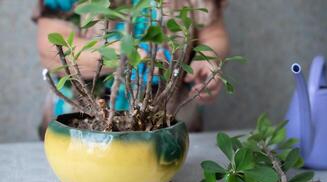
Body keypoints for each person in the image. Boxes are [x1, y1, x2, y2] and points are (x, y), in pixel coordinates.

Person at [33, 0, 229, 138]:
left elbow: (213, 34)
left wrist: (208, 59)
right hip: (79, 132)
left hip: (171, 132)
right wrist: (128, 55)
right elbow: (50, 49)